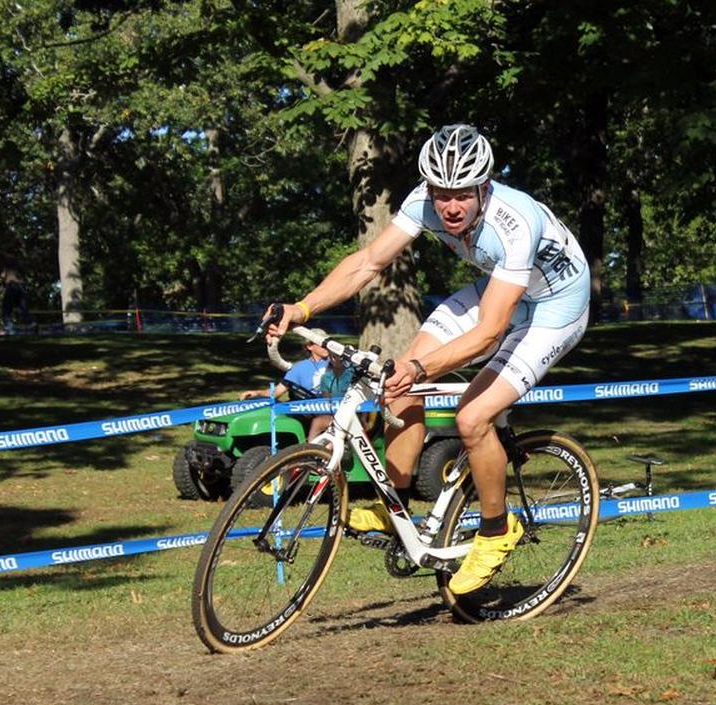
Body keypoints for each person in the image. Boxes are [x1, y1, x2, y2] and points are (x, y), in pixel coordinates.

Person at [268, 124, 590, 595]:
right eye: (442, 194)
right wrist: (302, 307)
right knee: (393, 388)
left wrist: (419, 369)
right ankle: (392, 503)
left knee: (473, 417)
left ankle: (498, 532)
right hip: (501, 291)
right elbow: (368, 263)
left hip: (556, 308)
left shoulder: (515, 222)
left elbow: (489, 332)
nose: (451, 206)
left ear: (484, 186)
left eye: (462, 194)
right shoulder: (422, 201)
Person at [240, 338, 350, 440]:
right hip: (307, 410)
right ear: (309, 346)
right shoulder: (298, 368)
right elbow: (277, 392)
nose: (326, 347)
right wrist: (256, 393)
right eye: (322, 344)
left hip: (334, 408)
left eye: (328, 344)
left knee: (319, 421)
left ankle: (311, 452)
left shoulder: (336, 363)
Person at [0, 266, 33, 332]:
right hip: (21, 287)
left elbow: (2, 276)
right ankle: (32, 323)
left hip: (12, 286)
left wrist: (4, 283)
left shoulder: (8, 267)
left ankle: (9, 326)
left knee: (6, 308)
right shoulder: (19, 267)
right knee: (22, 308)